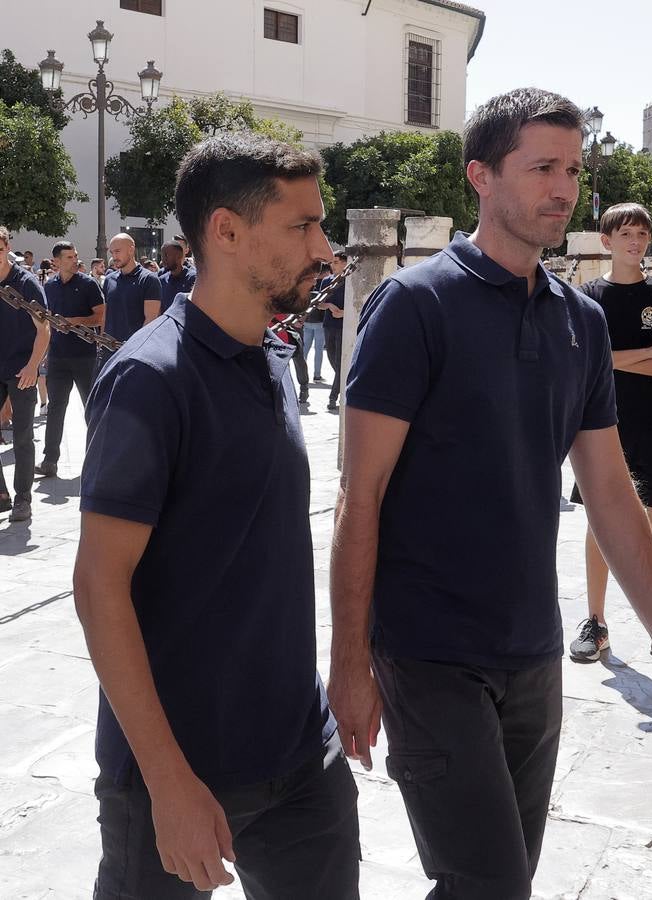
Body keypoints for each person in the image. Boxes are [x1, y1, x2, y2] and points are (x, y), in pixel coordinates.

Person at [327, 87, 652, 900]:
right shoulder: (415, 305)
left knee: (505, 880)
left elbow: (609, 492)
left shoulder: (580, 321)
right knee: (490, 884)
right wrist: (348, 665)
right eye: (542, 168)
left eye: (573, 170)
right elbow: (358, 497)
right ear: (481, 176)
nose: (564, 189)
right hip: (429, 652)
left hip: (534, 652)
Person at [74, 133, 359, 899]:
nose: (324, 249)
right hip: (176, 774)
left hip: (301, 761)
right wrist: (168, 783)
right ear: (226, 231)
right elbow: (99, 587)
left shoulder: (271, 357)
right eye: (302, 226)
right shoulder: (149, 380)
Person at [568, 203, 652, 661]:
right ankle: (596, 621)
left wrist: (616, 358)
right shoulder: (588, 297)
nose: (635, 242)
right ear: (607, 241)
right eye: (625, 234)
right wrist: (649, 351)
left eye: (641, 234)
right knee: (599, 521)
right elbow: (584, 364)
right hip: (602, 423)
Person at [35, 241, 104, 479]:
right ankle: (49, 461)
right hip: (57, 358)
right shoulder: (49, 286)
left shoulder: (88, 284)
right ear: (56, 261)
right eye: (69, 257)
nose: (74, 260)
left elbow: (101, 316)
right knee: (55, 408)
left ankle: (97, 462)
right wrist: (44, 353)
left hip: (85, 357)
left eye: (75, 256)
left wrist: (76, 321)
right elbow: (45, 323)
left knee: (91, 408)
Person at [0, 225, 50, 521]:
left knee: (22, 436)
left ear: (6, 247)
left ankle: (23, 498)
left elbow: (44, 329)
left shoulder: (26, 283)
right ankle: (2, 494)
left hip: (21, 370)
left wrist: (33, 366)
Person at [99, 233, 161, 368]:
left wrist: (135, 349)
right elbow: (105, 314)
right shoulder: (109, 280)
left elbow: (150, 319)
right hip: (108, 352)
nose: (114, 256)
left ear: (131, 250)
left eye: (117, 251)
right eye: (112, 252)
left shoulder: (149, 279)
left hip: (135, 353)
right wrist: (101, 342)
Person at [320, 251, 346, 411]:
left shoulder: (351, 280)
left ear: (345, 263)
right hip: (328, 325)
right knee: (332, 361)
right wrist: (329, 306)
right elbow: (318, 303)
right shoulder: (327, 281)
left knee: (339, 362)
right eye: (331, 262)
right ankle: (344, 383)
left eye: (336, 262)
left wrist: (344, 313)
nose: (332, 265)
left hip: (344, 327)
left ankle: (333, 397)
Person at [303, 268, 327, 382]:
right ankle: (317, 375)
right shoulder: (321, 293)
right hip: (319, 324)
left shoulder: (306, 293)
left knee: (305, 350)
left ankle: (302, 374)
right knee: (318, 351)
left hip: (307, 323)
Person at [159, 240, 196, 313]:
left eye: (166, 255)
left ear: (179, 256)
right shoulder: (161, 280)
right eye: (162, 255)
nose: (163, 259)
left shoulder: (193, 279)